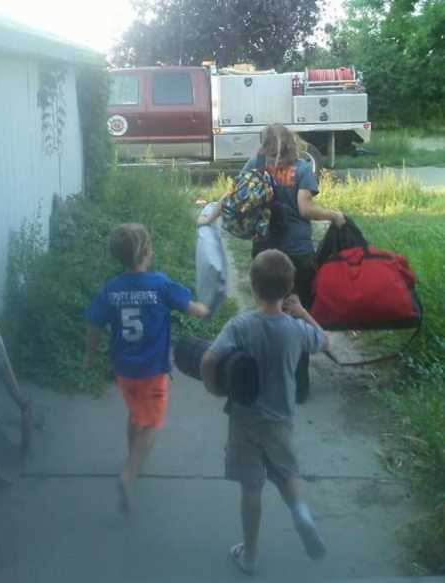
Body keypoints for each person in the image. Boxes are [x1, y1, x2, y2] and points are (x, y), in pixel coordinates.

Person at [201, 249, 329, 575]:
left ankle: (251, 554)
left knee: (251, 486)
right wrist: (302, 312)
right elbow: (323, 341)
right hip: (281, 418)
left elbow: (209, 359)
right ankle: (301, 514)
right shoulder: (295, 329)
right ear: (288, 290)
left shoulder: (240, 325)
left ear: (253, 286)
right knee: (287, 474)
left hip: (245, 418)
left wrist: (214, 388)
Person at [198, 124, 345, 403]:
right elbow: (305, 209)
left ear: (263, 143)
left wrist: (209, 218)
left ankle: (264, 379)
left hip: (265, 250)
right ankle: (299, 388)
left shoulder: (257, 163)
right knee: (296, 315)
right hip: (297, 253)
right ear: (294, 142)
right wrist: (333, 215)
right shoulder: (302, 169)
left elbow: (232, 195)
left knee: (267, 316)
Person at [83, 223, 209, 513]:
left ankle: (133, 455)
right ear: (147, 252)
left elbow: (93, 322)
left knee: (135, 412)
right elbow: (195, 309)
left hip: (123, 370)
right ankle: (130, 474)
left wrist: (90, 356)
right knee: (151, 423)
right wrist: (206, 309)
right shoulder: (160, 285)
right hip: (152, 370)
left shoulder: (111, 289)